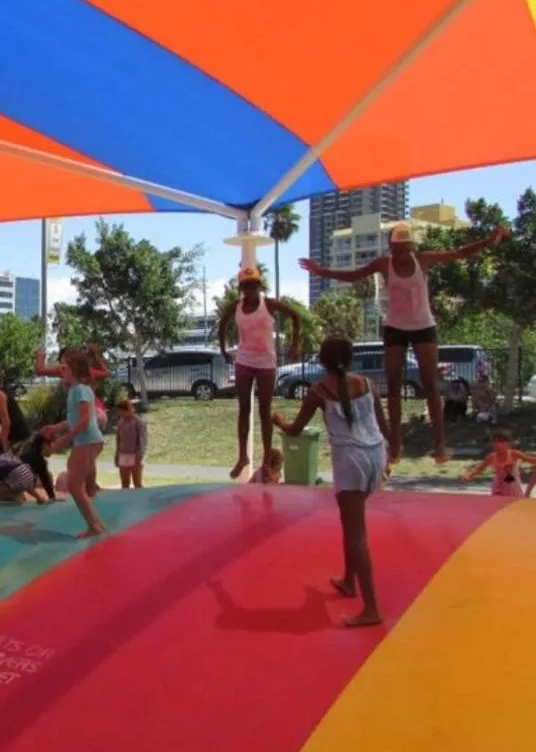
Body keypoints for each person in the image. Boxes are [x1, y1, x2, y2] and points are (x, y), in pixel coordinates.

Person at [301, 222, 507, 464]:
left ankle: (439, 444)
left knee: (430, 384)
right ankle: (395, 445)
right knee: (394, 386)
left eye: (406, 249)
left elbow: (459, 253)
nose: (401, 255)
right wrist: (321, 271)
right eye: (397, 250)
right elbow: (354, 275)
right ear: (392, 248)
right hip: (395, 328)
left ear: (412, 247)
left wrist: (490, 240)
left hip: (423, 327)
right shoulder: (384, 264)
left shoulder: (423, 260)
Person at [271, 336, 389, 628]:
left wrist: (277, 420)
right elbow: (384, 425)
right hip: (375, 453)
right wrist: (391, 454)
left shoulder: (319, 391)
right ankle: (349, 580)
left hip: (350, 460)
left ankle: (371, 608)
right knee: (350, 524)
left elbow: (295, 429)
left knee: (357, 534)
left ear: (322, 360)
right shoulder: (367, 384)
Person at [217, 265, 301, 480]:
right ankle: (242, 456)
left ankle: (265, 460)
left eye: (253, 286)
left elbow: (295, 316)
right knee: (243, 408)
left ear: (259, 286)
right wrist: (224, 350)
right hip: (244, 360)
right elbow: (222, 324)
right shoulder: (236, 306)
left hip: (266, 362)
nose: (250, 290)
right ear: (241, 289)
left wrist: (295, 344)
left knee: (265, 410)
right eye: (245, 287)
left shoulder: (269, 304)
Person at [42, 351, 108, 539]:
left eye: (64, 367)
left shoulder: (80, 389)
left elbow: (85, 420)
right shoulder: (76, 390)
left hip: (88, 441)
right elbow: (76, 419)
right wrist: (56, 428)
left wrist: (63, 440)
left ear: (74, 371)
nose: (61, 371)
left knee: (74, 484)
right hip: (86, 441)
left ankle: (95, 526)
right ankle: (96, 524)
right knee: (76, 482)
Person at [0, 360, 56, 501]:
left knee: (11, 469)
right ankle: (42, 496)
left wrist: (2, 446)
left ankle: (20, 497)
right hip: (21, 437)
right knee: (23, 470)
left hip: (20, 439)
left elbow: (6, 422)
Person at [459, 429, 536, 497]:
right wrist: (468, 475)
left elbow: (532, 460)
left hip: (513, 485)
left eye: (501, 441)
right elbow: (479, 468)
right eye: (495, 442)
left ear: (509, 443)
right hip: (498, 485)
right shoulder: (491, 456)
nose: (498, 444)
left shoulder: (514, 454)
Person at [0, 435, 43, 504]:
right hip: (30, 481)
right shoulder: (10, 456)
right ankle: (38, 497)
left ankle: (11, 499)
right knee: (19, 479)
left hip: (18, 485)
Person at [114, 398, 148, 489]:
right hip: (123, 454)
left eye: (122, 411)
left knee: (137, 483)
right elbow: (118, 439)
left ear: (129, 410)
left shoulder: (139, 422)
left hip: (135, 455)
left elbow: (142, 441)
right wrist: (117, 455)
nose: (120, 414)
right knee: (125, 483)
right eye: (119, 412)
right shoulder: (121, 422)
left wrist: (139, 456)